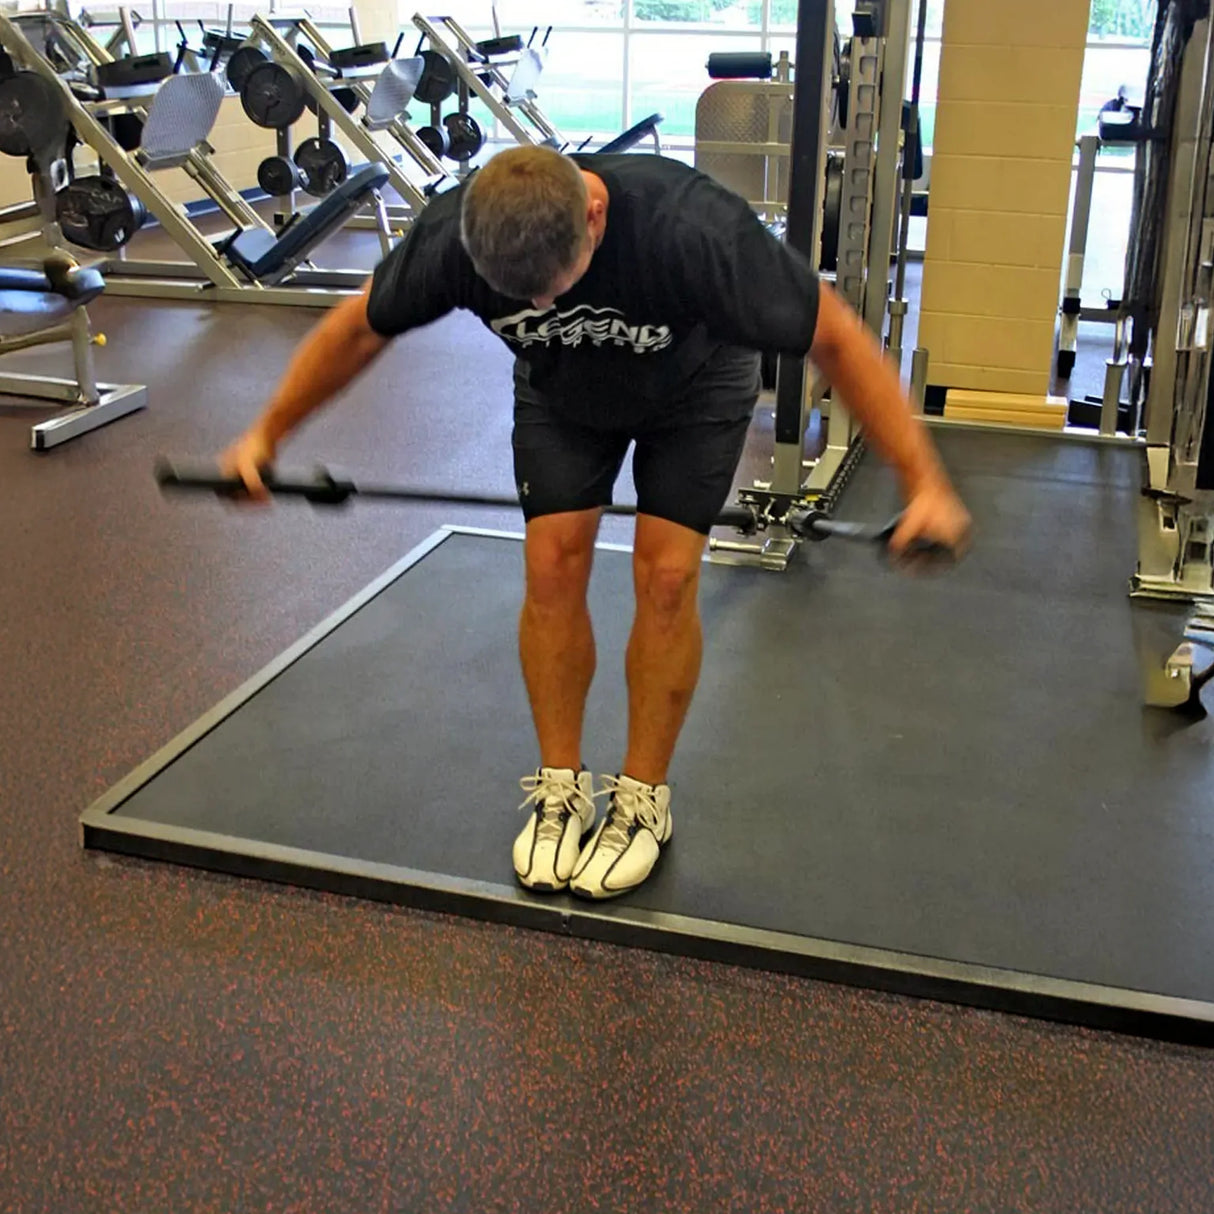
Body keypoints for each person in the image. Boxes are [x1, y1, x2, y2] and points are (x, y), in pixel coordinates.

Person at [219, 145, 972, 901]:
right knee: (550, 562)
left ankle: (643, 799)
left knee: (668, 576)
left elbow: (835, 337)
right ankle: (559, 787)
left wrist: (925, 483)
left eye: (554, 289)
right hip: (562, 393)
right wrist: (265, 437)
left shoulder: (695, 231)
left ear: (595, 213)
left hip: (696, 387)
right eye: (522, 301)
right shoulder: (453, 234)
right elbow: (357, 329)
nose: (540, 310)